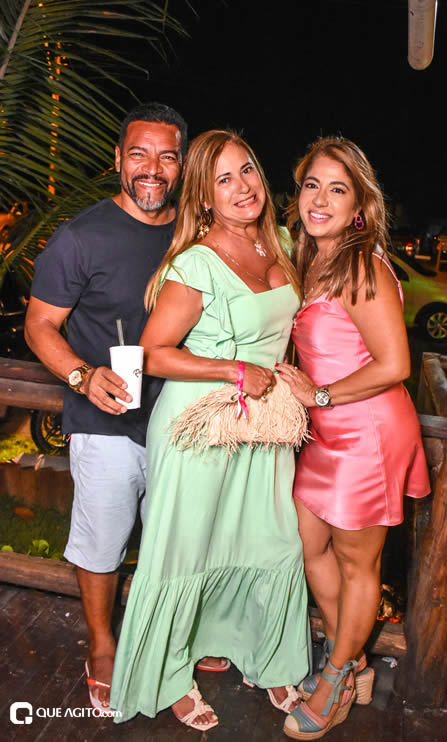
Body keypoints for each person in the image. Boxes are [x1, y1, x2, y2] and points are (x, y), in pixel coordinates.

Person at [110, 130, 311, 729]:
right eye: (224, 179)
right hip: (200, 428)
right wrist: (232, 369)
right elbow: (152, 352)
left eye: (247, 170)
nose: (242, 187)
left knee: (271, 543)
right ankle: (169, 677)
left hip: (265, 426)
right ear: (203, 197)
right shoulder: (195, 264)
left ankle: (268, 659)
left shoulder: (279, 243)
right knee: (186, 551)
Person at [24, 102, 187, 714]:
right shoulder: (81, 236)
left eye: (166, 156)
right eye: (139, 154)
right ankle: (101, 644)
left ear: (181, 165)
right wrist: (80, 375)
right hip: (106, 420)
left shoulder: (194, 233)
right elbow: (40, 325)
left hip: (181, 422)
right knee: (102, 543)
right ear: (118, 159)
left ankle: (177, 638)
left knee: (177, 541)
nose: (152, 169)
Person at [276, 136, 430, 740]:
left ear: (359, 206)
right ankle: (355, 660)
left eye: (337, 189)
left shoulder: (361, 264)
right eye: (312, 185)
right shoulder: (309, 258)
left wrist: (317, 395)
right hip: (324, 431)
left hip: (367, 431)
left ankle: (335, 678)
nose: (320, 199)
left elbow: (395, 364)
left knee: (357, 563)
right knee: (308, 545)